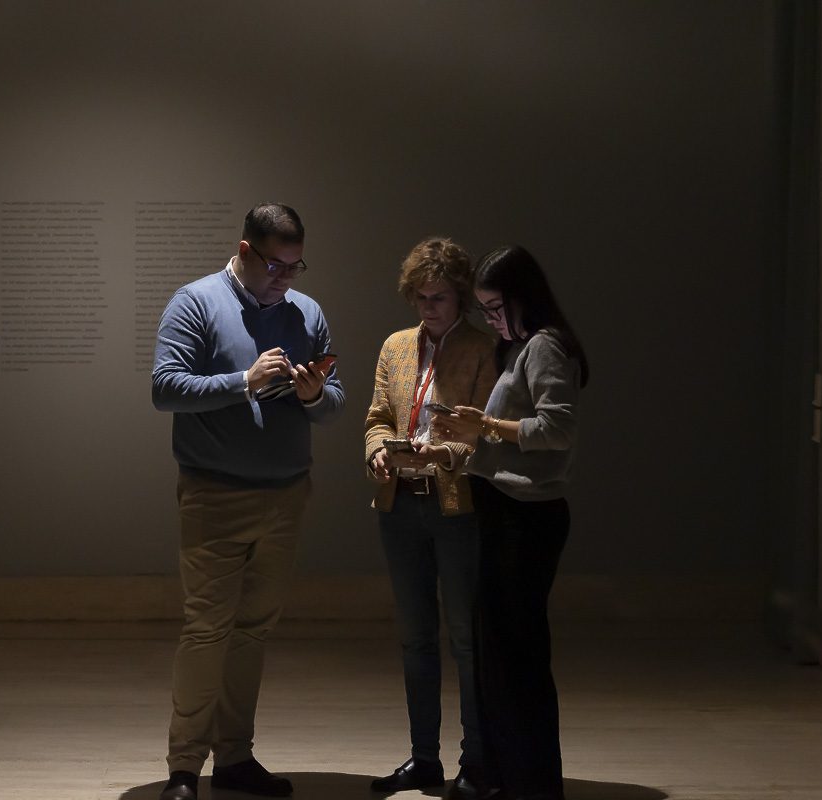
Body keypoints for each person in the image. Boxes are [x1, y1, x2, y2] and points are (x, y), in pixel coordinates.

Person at [151, 202, 345, 800]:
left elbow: (335, 401)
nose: (285, 279)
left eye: (295, 266)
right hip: (215, 493)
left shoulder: (306, 312)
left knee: (253, 631)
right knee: (207, 630)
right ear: (244, 251)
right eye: (275, 266)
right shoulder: (196, 301)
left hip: (286, 495)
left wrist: (313, 396)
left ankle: (234, 757)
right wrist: (244, 382)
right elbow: (165, 388)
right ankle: (185, 766)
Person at [434, 244, 589, 800]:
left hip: (525, 518)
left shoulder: (545, 345)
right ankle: (509, 778)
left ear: (525, 297)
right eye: (485, 310)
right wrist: (469, 437)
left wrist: (485, 425)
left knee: (517, 657)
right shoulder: (523, 346)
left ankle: (531, 783)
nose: (493, 319)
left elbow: (556, 429)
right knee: (500, 656)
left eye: (497, 307)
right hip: (505, 512)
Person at [364, 237, 497, 798]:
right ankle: (424, 759)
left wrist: (446, 454)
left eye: (438, 297)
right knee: (416, 638)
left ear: (460, 296)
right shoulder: (396, 345)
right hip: (400, 505)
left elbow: (486, 431)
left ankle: (477, 761)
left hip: (457, 508)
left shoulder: (483, 350)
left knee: (466, 639)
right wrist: (377, 450)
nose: (427, 306)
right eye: (420, 297)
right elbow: (377, 417)